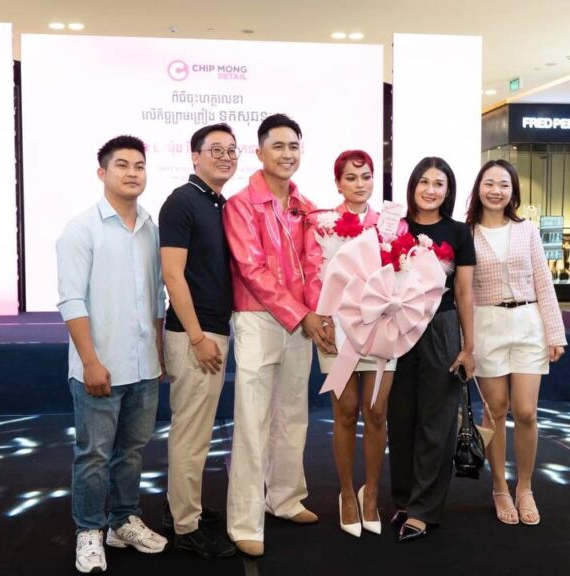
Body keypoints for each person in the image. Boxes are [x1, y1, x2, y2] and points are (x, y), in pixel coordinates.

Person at [223, 113, 334, 557]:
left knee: (292, 414)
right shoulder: (241, 205)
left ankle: (285, 498)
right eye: (278, 146)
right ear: (260, 152)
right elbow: (252, 270)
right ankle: (243, 521)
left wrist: (315, 311)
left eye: (294, 146)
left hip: (301, 322)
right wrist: (301, 314)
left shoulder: (306, 205)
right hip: (258, 319)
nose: (287, 154)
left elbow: (314, 265)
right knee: (253, 421)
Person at [56, 135, 168, 573]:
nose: (132, 173)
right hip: (99, 365)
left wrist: (157, 352)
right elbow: (71, 300)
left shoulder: (151, 228)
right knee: (94, 456)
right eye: (122, 165)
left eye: (139, 165)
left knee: (132, 451)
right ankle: (89, 530)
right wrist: (90, 362)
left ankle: (123, 521)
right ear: (102, 172)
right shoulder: (81, 229)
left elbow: (156, 297)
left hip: (143, 365)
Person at [465, 159, 567, 526]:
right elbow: (461, 291)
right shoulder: (467, 233)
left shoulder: (527, 230)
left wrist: (555, 333)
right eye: (489, 183)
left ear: (513, 191)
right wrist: (464, 343)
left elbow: (543, 282)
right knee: (494, 410)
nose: (496, 190)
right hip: (486, 324)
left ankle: (525, 487)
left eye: (504, 184)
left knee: (525, 411)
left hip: (528, 323)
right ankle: (499, 488)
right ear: (479, 188)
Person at [160, 123, 239, 559]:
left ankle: (179, 509)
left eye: (232, 150)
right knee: (190, 435)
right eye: (216, 150)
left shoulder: (217, 203)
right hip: (196, 334)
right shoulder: (182, 202)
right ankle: (185, 528)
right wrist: (196, 337)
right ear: (194, 156)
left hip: (212, 330)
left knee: (196, 432)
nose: (226, 157)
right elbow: (172, 275)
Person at [387, 156, 476, 543]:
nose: (430, 189)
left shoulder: (458, 232)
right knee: (400, 418)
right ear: (412, 186)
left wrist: (468, 347)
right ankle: (404, 500)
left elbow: (464, 291)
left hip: (440, 327)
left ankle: (424, 509)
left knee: (436, 421)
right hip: (397, 326)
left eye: (439, 183)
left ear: (448, 191)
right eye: (424, 181)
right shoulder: (394, 226)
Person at [317, 150, 404, 538]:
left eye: (365, 176)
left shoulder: (391, 224)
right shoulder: (323, 224)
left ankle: (371, 495)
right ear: (338, 183)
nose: (359, 183)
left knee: (377, 411)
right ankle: (348, 494)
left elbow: (403, 274)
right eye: (350, 177)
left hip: (381, 329)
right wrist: (319, 316)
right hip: (336, 329)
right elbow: (314, 274)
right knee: (346, 410)